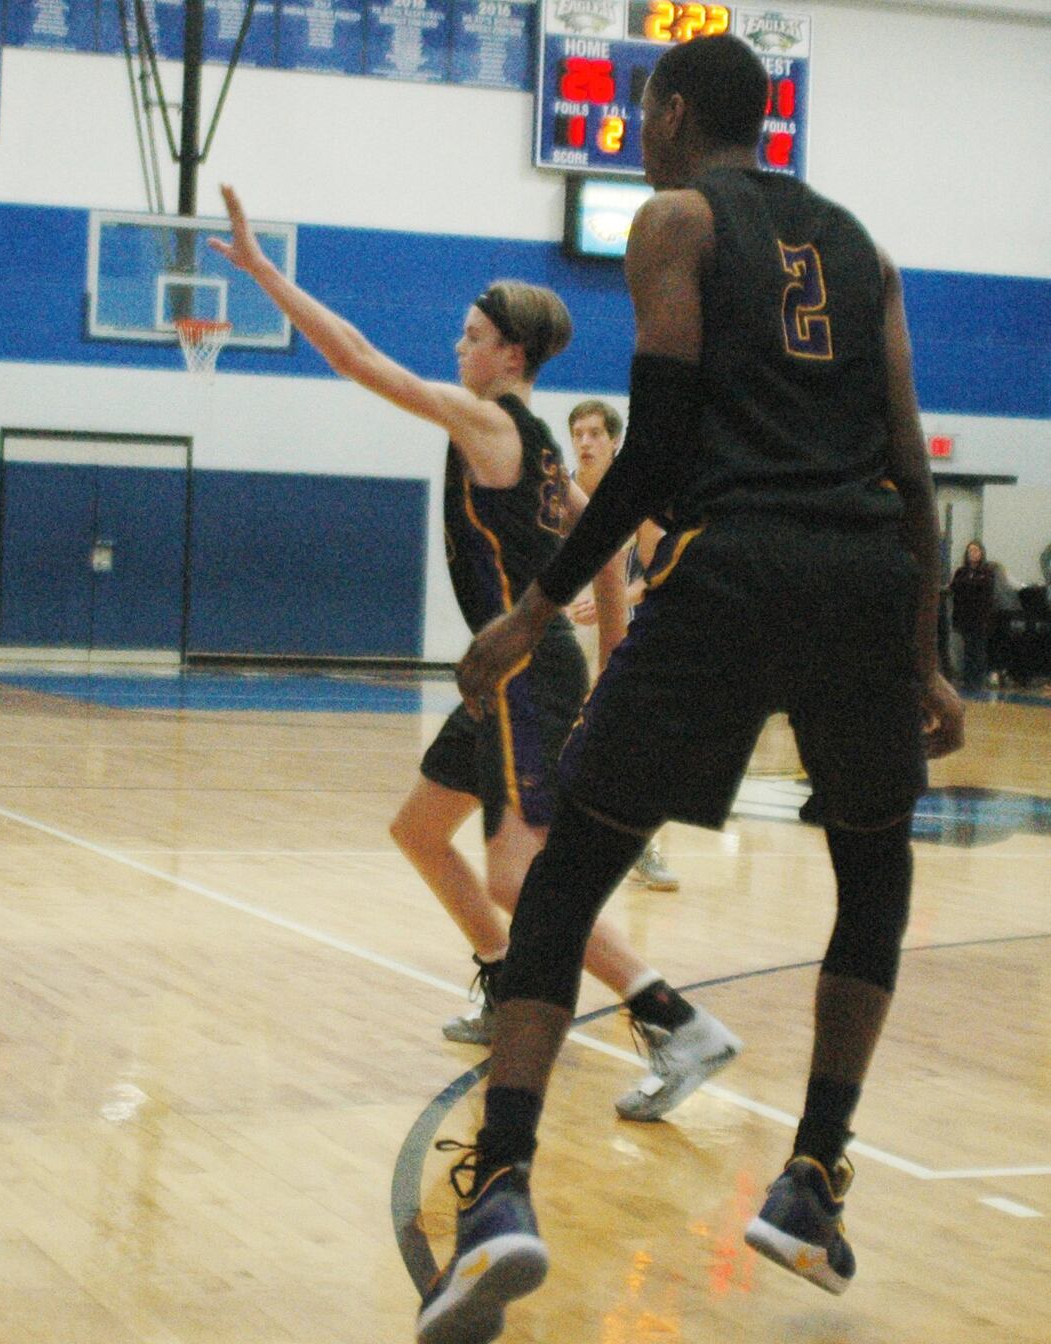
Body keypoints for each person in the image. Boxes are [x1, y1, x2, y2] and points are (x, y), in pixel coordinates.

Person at [421, 34, 965, 1342]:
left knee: (566, 874)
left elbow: (658, 446)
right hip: (864, 574)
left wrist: (533, 610)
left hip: (736, 570)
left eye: (640, 118)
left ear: (669, 113)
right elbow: (904, 451)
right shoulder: (867, 250)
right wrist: (930, 643)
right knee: (874, 872)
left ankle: (499, 1185)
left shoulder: (675, 221)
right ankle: (815, 1177)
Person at [208, 186, 739, 1124]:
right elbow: (608, 546)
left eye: (470, 336)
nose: (457, 348)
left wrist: (262, 273)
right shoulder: (536, 450)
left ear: (511, 356)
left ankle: (673, 1017)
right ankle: (504, 980)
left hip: (526, 677)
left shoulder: (493, 422)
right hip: (517, 676)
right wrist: (611, 658)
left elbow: (359, 359)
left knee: (515, 873)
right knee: (420, 830)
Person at [564, 398, 680, 891]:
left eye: (595, 433)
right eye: (578, 433)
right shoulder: (557, 493)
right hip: (563, 630)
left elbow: (661, 573)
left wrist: (620, 593)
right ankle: (556, 841)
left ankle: (641, 846)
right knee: (558, 738)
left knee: (629, 740)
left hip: (619, 632)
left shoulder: (635, 498)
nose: (586, 442)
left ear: (615, 441)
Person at [948, 541, 996, 692]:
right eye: (970, 551)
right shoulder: (961, 572)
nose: (973, 554)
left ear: (981, 553)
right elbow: (955, 587)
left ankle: (978, 681)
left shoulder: (987, 572)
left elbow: (983, 590)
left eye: (976, 551)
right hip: (964, 617)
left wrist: (969, 585)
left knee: (978, 650)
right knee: (967, 649)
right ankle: (967, 680)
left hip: (980, 618)